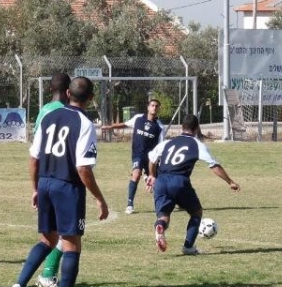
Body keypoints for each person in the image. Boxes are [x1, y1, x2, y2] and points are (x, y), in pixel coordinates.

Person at [8, 76, 108, 287]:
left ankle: (20, 284)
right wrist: (99, 198)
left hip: (45, 183)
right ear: (91, 98)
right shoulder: (85, 124)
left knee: (47, 239)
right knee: (72, 244)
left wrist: (35, 188)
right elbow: (83, 168)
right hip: (67, 187)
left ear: (67, 93)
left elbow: (34, 158)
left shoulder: (49, 117)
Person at [145, 114, 240, 255]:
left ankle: (160, 227)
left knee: (164, 215)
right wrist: (230, 182)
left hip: (161, 181)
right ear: (197, 128)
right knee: (196, 213)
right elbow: (214, 166)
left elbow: (152, 159)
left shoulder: (167, 143)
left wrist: (152, 176)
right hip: (179, 181)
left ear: (182, 127)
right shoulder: (197, 145)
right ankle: (188, 247)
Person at [33, 73, 71, 287]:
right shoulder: (67, 111)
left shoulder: (44, 110)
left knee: (52, 232)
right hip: (61, 176)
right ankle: (47, 274)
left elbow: (36, 149)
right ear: (68, 91)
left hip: (43, 176)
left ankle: (46, 274)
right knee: (66, 231)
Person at [101, 99, 164, 214]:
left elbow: (160, 147)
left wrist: (158, 164)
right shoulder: (138, 118)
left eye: (156, 106)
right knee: (136, 174)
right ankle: (129, 204)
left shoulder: (160, 127)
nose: (154, 108)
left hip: (151, 159)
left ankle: (168, 200)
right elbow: (124, 124)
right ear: (148, 107)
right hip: (138, 154)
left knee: (158, 183)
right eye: (152, 105)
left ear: (159, 109)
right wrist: (110, 127)